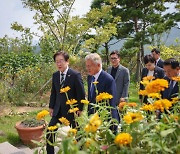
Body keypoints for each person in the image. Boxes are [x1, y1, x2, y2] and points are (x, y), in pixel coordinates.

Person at [47, 51, 85, 154]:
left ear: (67, 61)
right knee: (50, 132)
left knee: (78, 134)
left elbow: (81, 93)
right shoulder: (55, 75)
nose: (58, 64)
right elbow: (53, 92)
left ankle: (82, 151)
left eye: (61, 61)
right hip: (58, 110)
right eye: (56, 61)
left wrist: (80, 109)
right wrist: (51, 107)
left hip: (72, 110)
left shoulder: (75, 75)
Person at [85, 53, 120, 123]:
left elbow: (111, 103)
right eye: (86, 66)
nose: (87, 68)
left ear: (98, 65)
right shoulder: (90, 77)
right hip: (93, 118)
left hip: (106, 119)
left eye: (89, 66)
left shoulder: (108, 79)